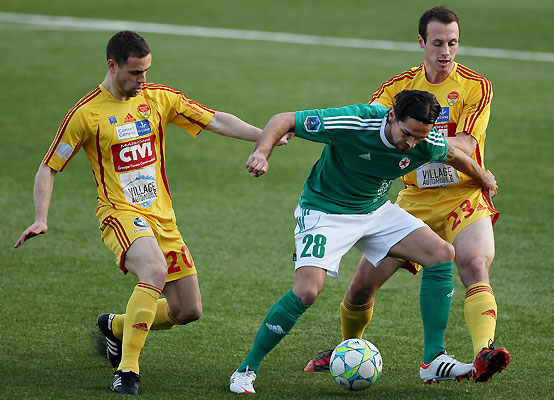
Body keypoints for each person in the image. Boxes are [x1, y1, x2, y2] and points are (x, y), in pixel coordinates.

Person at [14, 30, 288, 396]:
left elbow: (215, 119)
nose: (142, 80)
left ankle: (115, 327)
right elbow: (49, 167)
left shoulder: (158, 98)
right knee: (154, 270)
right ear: (112, 67)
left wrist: (264, 136)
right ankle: (127, 370)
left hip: (162, 217)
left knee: (187, 310)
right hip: (120, 213)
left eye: (146, 71)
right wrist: (41, 217)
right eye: (135, 73)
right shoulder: (86, 114)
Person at [229, 89, 497, 394]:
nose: (411, 144)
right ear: (391, 116)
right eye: (407, 133)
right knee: (306, 291)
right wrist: (262, 153)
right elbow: (283, 119)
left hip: (374, 210)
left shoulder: (426, 141)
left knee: (440, 253)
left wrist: (484, 178)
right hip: (324, 211)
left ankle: (432, 360)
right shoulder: (354, 122)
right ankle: (246, 369)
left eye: (420, 137)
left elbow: (452, 154)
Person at [303, 6, 510, 383]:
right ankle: (348, 347)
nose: (445, 52)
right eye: (437, 43)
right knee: (361, 286)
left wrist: (410, 136)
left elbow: (465, 142)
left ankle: (484, 352)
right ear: (421, 43)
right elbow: (371, 126)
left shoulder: (476, 87)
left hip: (462, 196)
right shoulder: (397, 88)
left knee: (475, 265)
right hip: (413, 201)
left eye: (453, 43)